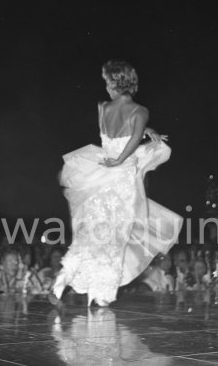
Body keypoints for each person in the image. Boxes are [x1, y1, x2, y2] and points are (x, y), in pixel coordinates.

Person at [49, 60, 183, 307]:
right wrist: (122, 158)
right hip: (120, 180)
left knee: (90, 235)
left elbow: (118, 133)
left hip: (99, 177)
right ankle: (101, 296)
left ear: (116, 83)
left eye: (108, 82)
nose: (106, 87)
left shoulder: (103, 108)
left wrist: (145, 131)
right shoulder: (140, 111)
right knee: (115, 238)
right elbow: (131, 139)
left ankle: (60, 284)